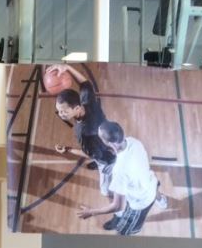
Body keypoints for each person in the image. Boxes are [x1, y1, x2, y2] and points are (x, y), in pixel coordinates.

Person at [77, 121, 165, 236]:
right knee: (152, 188)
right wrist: (114, 165)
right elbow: (130, 159)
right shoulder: (133, 141)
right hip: (150, 182)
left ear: (107, 142)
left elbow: (118, 206)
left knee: (122, 233)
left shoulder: (120, 172)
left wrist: (91, 212)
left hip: (140, 203)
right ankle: (163, 201)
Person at [49, 63, 117, 196]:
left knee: (104, 187)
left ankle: (109, 192)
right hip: (109, 138)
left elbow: (89, 154)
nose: (61, 115)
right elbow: (85, 83)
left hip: (105, 157)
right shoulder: (87, 100)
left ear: (76, 108)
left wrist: (68, 150)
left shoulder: (83, 132)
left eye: (64, 112)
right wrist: (67, 67)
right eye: (59, 111)